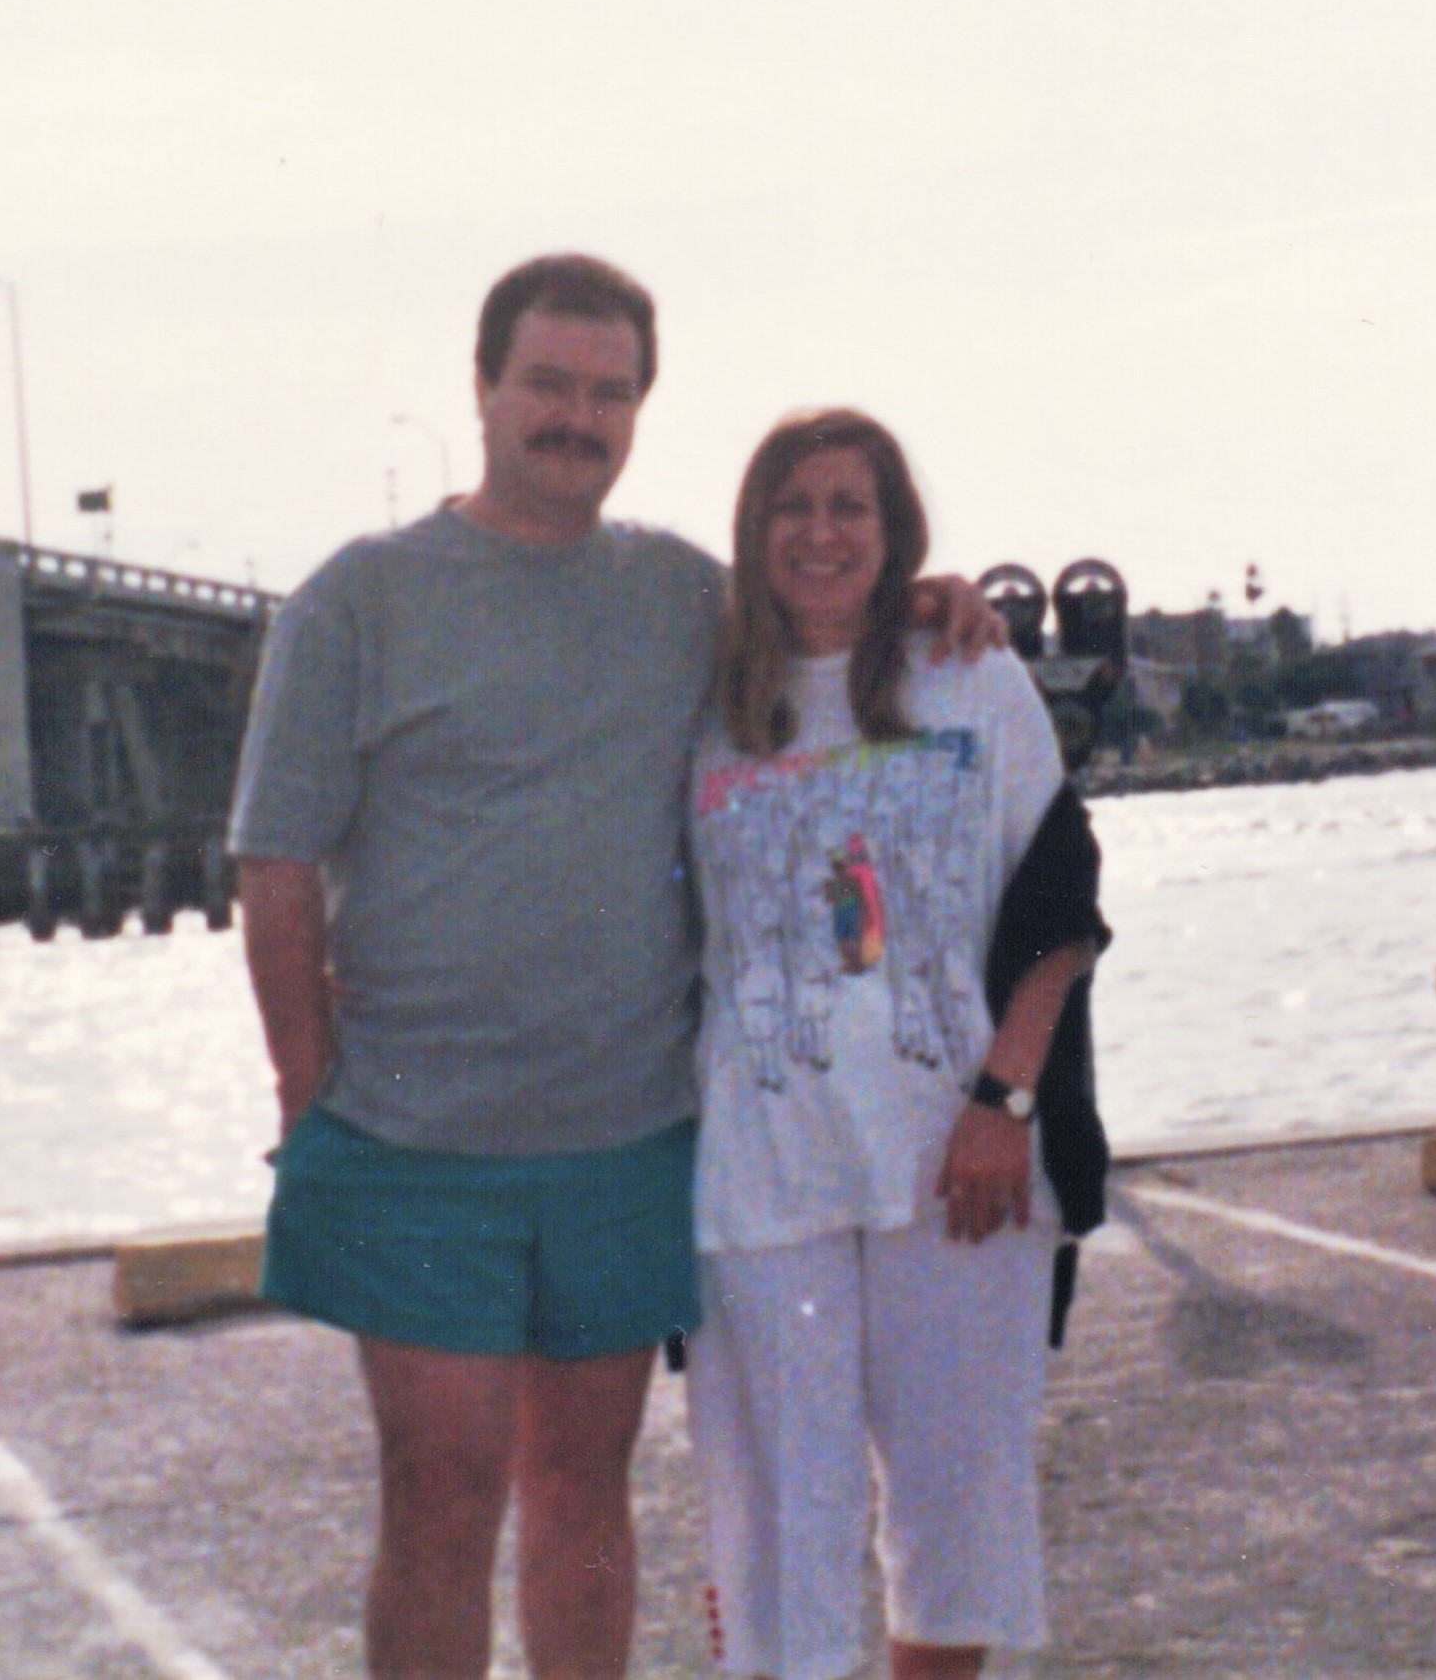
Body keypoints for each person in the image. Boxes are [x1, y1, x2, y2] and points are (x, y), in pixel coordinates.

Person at [230, 258, 1002, 1680]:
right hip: (414, 1139)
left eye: (609, 390)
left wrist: (932, 599)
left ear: (641, 406)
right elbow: (274, 872)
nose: (576, 417)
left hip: (628, 1135)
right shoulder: (356, 599)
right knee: (440, 1490)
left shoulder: (679, 597)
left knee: (582, 1494)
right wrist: (308, 1094)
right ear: (482, 387)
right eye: (548, 383)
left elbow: (824, 613)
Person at [686, 409, 1108, 1680]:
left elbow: (1059, 913)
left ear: (895, 530)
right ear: (754, 531)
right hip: (763, 1178)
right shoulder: (698, 700)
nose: (820, 532)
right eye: (793, 505)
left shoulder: (975, 680)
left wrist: (1005, 1102)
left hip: (958, 1163)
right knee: (778, 1524)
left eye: (849, 507)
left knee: (955, 1512)